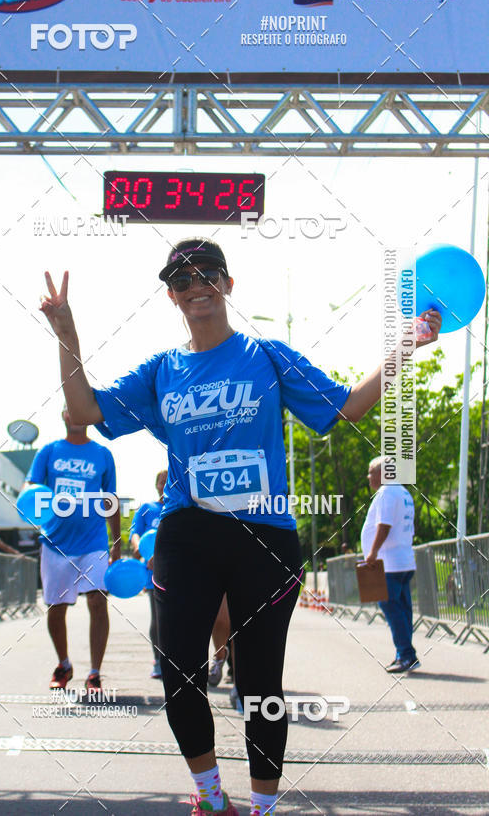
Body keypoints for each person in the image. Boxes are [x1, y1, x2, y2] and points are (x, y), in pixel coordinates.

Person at [39, 238, 440, 816]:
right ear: (172, 296)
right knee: (180, 673)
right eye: (181, 280)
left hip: (264, 537)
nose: (195, 284)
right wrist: (66, 333)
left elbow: (345, 407)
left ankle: (263, 807)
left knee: (260, 686)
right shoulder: (160, 371)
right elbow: (83, 410)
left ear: (228, 284)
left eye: (207, 274)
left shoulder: (266, 354)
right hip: (188, 532)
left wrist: (408, 344)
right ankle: (210, 797)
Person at [24, 408, 120, 692]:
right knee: (56, 608)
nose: (77, 415)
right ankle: (63, 664)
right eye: (71, 410)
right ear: (64, 416)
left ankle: (94, 673)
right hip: (56, 543)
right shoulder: (49, 451)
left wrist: (115, 544)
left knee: (97, 601)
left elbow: (110, 498)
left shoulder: (103, 454)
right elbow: (33, 491)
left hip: (93, 542)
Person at [361, 456, 419, 673]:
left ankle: (406, 654)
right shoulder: (403, 492)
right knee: (402, 609)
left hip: (389, 563)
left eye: (370, 472)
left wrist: (373, 552)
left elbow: (384, 526)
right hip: (403, 560)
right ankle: (402, 654)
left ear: (383, 473)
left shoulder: (386, 493)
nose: (368, 477)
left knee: (389, 606)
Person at [130, 469, 167, 679]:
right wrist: (139, 549)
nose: (165, 484)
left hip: (178, 572)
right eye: (161, 481)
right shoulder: (146, 508)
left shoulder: (178, 507)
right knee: (158, 619)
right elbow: (135, 533)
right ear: (156, 485)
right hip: (153, 572)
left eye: (168, 480)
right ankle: (159, 660)